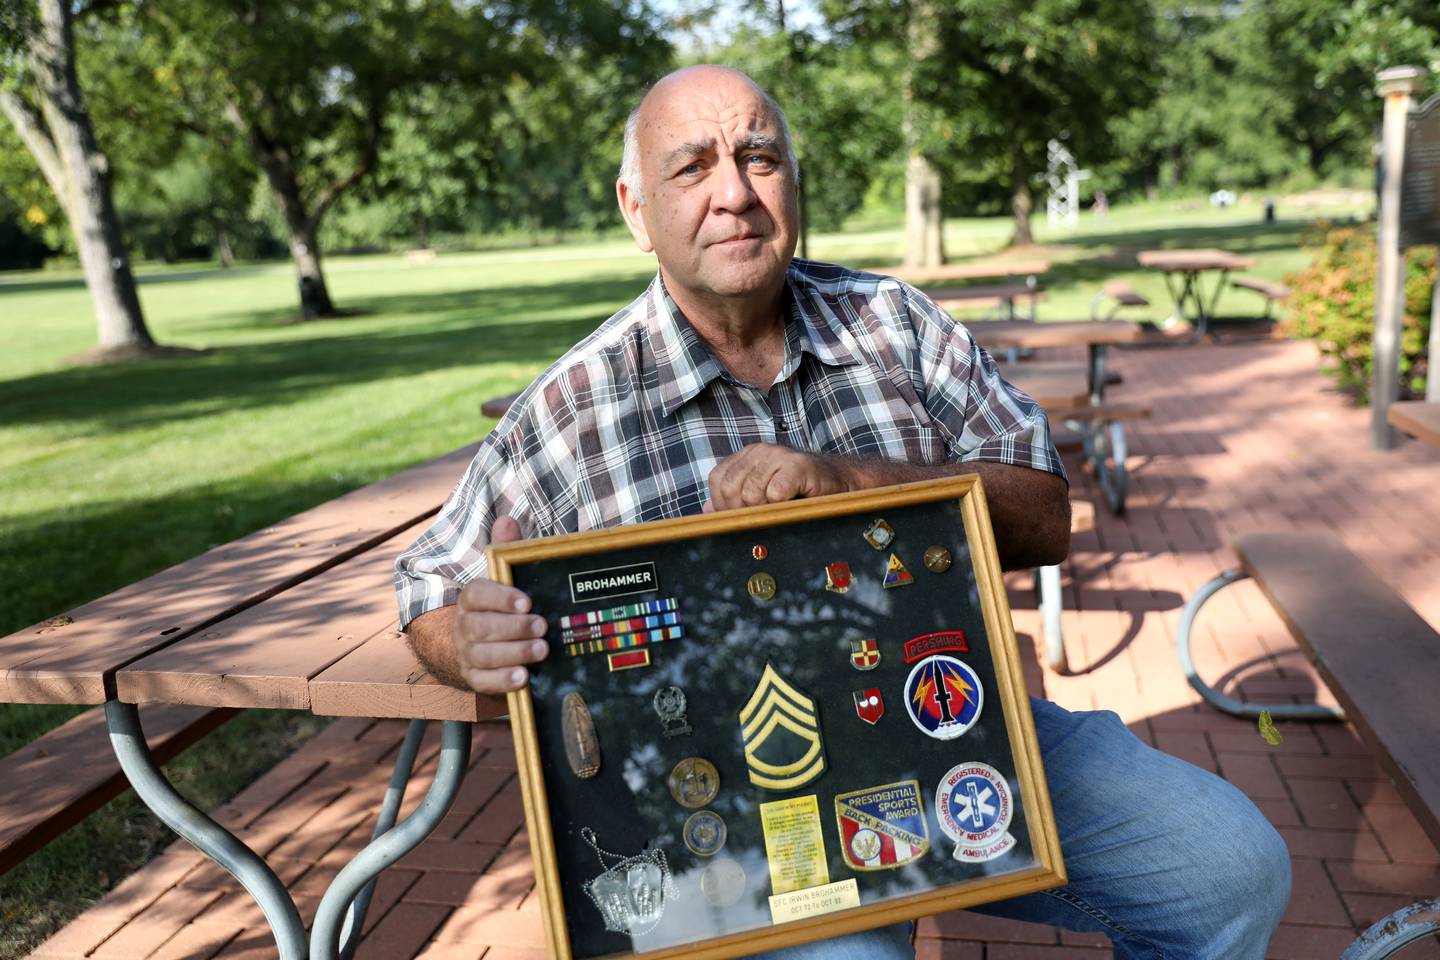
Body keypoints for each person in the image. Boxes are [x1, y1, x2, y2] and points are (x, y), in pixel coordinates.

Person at [394, 65, 1290, 960]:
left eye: (760, 158)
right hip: (732, 806)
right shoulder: (572, 408)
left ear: (795, 181)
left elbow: (1043, 509)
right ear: (637, 210)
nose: (735, 194)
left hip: (953, 734)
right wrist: (468, 640)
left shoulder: (892, 322)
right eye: (693, 168)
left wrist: (849, 483)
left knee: (1229, 869)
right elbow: (430, 586)